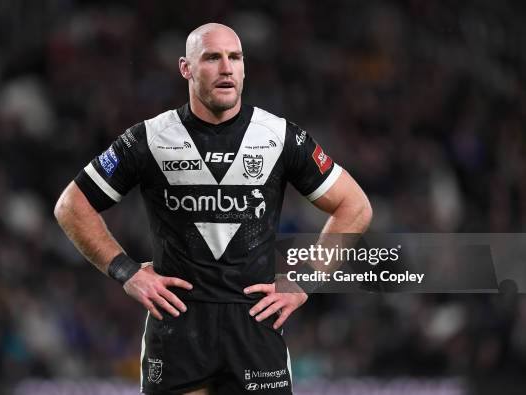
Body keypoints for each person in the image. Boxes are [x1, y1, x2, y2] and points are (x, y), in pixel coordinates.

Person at [54, 23, 372, 395]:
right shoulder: (149, 138)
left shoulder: (280, 136)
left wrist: (306, 278)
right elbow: (71, 205)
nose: (226, 68)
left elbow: (355, 206)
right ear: (185, 68)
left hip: (254, 327)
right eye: (212, 58)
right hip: (176, 329)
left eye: (234, 57)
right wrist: (126, 272)